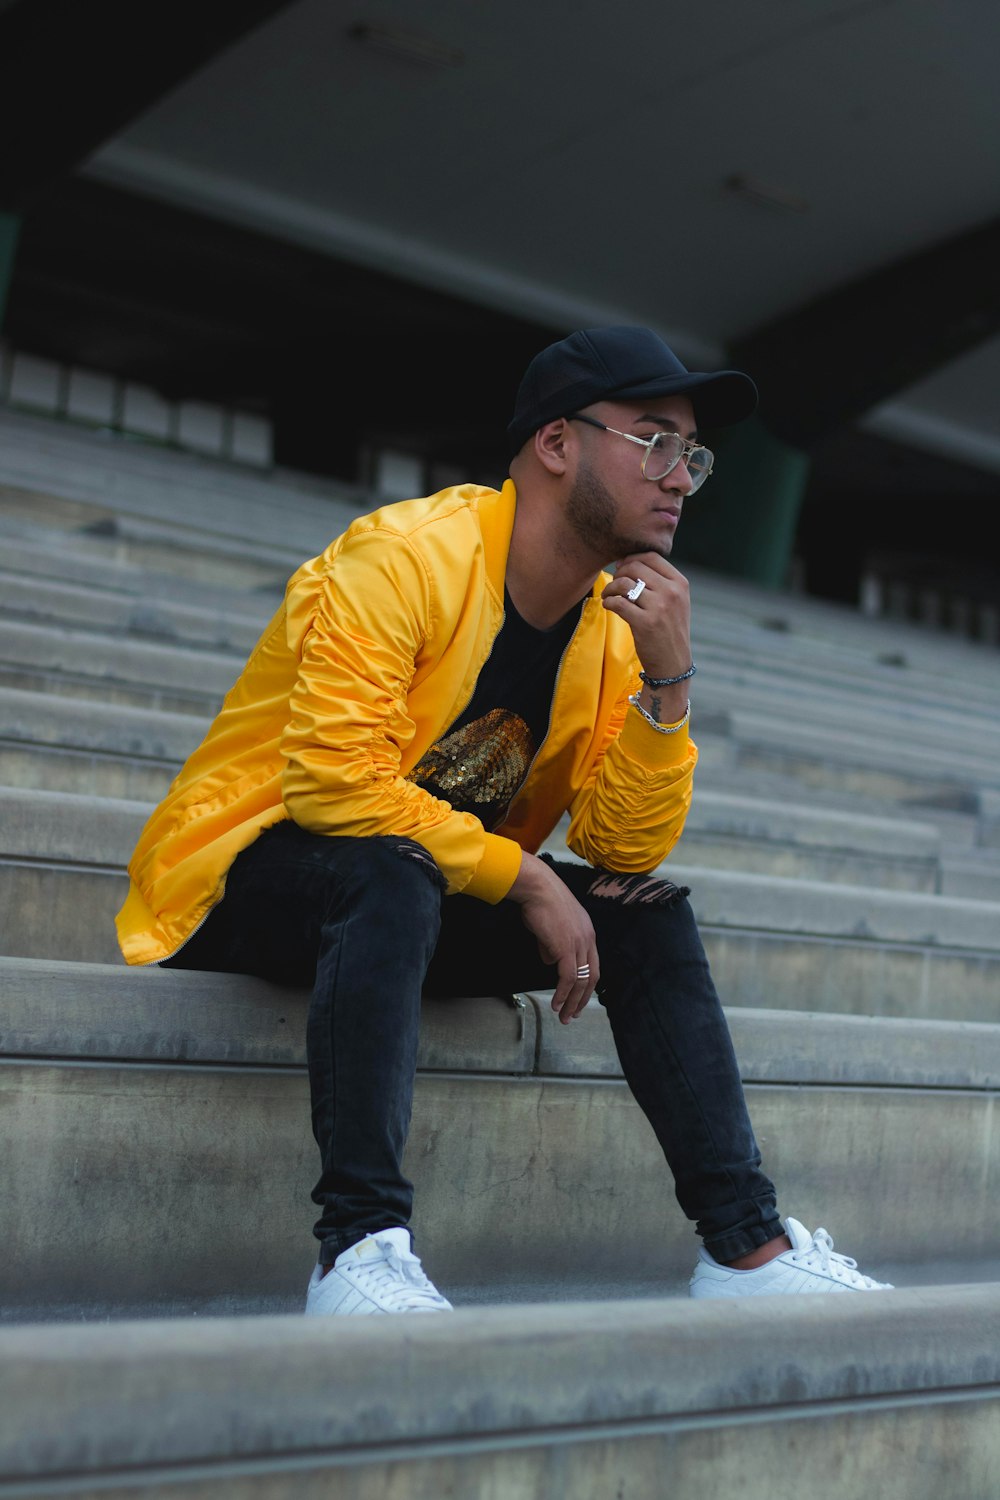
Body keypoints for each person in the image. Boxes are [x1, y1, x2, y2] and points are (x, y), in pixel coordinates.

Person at [115, 325, 892, 1313]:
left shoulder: (610, 634)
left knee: (643, 909)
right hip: (244, 877)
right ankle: (359, 1250)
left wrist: (666, 684)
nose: (682, 478)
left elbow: (619, 849)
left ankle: (746, 1251)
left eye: (691, 455)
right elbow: (330, 787)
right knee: (387, 867)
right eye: (654, 441)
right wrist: (523, 877)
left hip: (411, 905)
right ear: (556, 444)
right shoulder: (401, 559)